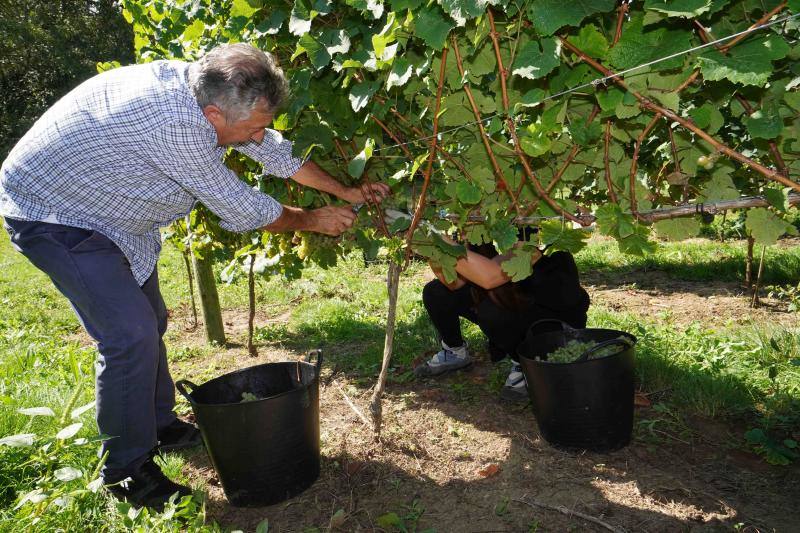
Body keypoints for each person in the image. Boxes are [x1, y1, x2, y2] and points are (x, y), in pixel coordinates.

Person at [0, 43, 389, 510]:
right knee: (129, 335)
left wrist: (343, 190)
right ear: (212, 116)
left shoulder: (213, 92)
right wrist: (314, 219)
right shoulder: (176, 126)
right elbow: (240, 206)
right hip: (55, 212)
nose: (258, 135)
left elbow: (273, 148)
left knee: (151, 319)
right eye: (252, 128)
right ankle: (126, 473)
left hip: (110, 210)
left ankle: (159, 425)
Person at [415, 230, 590, 402]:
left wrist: (434, 239)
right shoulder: (479, 228)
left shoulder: (528, 225)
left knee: (491, 312)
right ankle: (455, 352)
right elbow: (454, 283)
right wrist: (430, 249)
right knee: (437, 292)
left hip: (551, 313)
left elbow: (490, 276)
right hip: (513, 296)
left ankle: (525, 362)